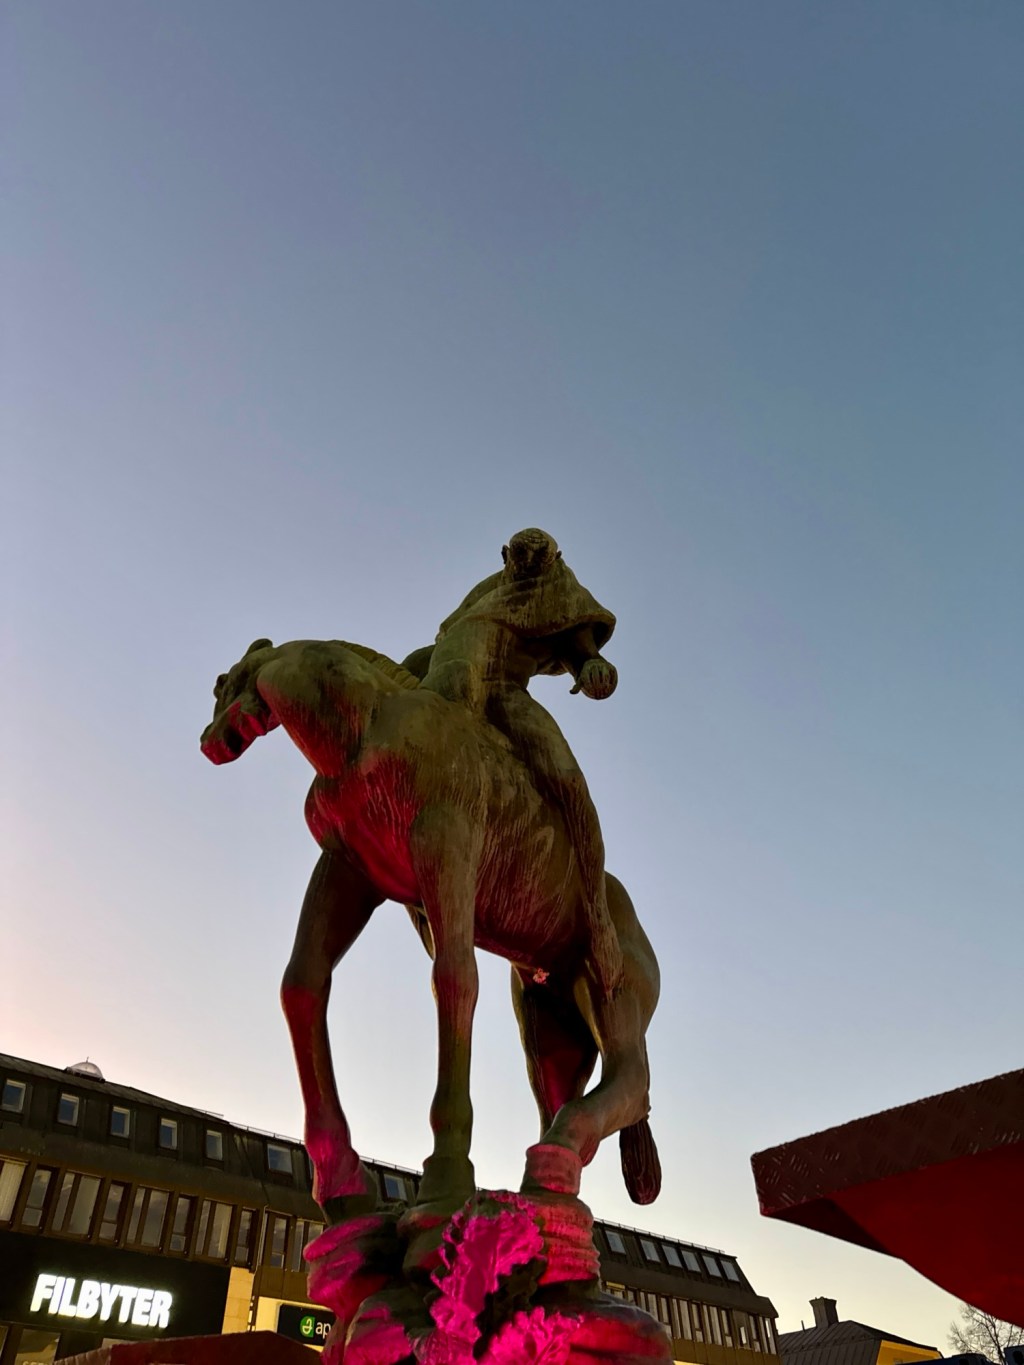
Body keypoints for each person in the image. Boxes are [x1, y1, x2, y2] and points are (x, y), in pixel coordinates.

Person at [403, 528, 623, 996]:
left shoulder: (560, 592)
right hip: (450, 685)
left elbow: (581, 650)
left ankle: (597, 915)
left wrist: (592, 667)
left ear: (555, 559)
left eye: (538, 563)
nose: (527, 572)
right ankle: (414, 894)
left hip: (505, 694)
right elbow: (441, 645)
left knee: (568, 781)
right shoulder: (484, 595)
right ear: (505, 558)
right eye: (520, 562)